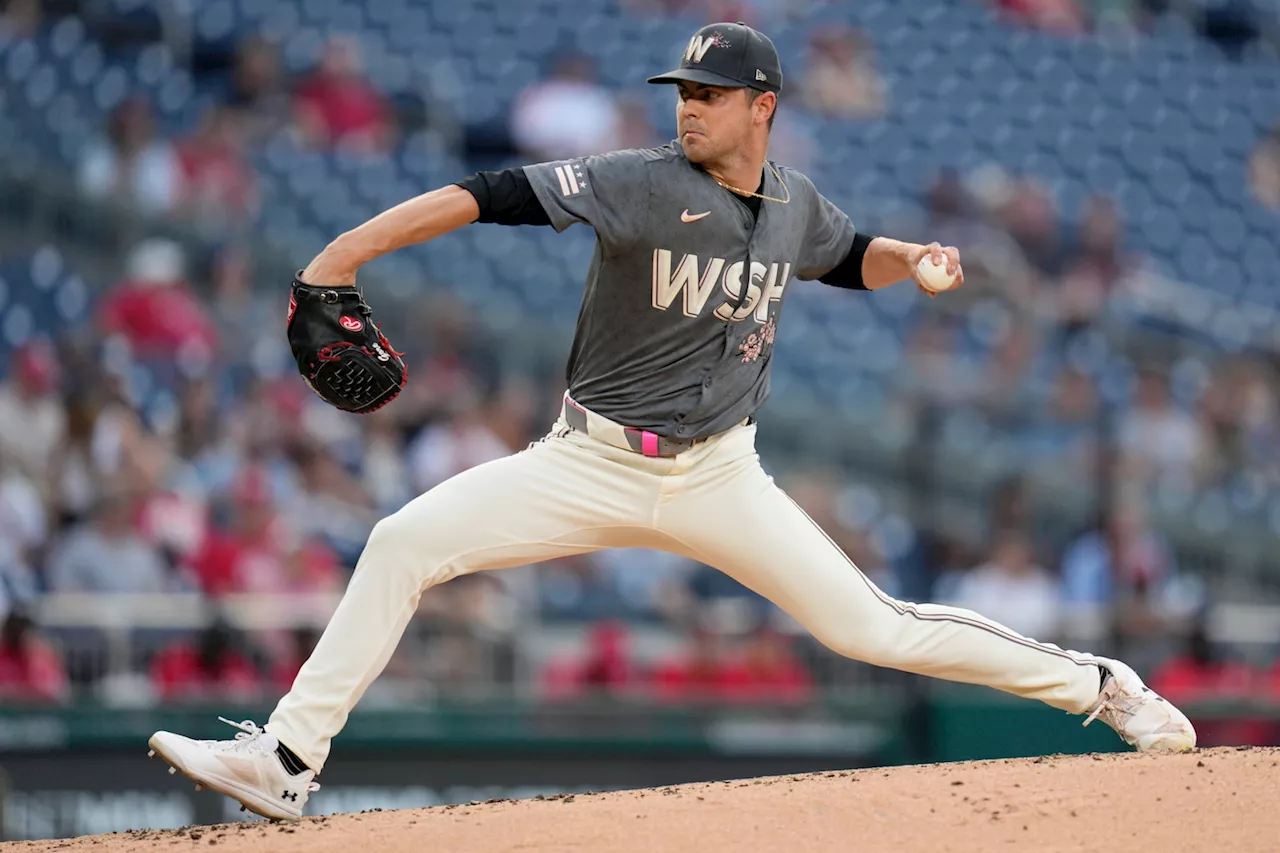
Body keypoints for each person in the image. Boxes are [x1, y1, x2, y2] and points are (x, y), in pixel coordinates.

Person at [148, 22, 1195, 822]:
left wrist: (911, 259)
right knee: (401, 541)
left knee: (869, 626)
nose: (688, 108)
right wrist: (343, 253)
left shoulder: (791, 203)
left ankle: (1101, 687)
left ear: (762, 109)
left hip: (718, 477)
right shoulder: (636, 184)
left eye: (709, 94)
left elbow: (844, 253)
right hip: (587, 459)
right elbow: (485, 193)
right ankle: (286, 762)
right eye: (683, 91)